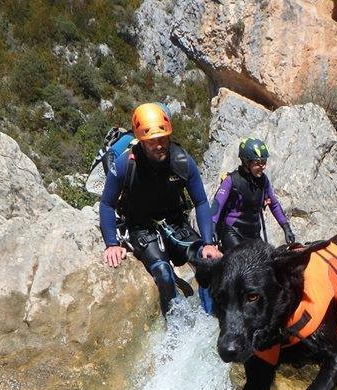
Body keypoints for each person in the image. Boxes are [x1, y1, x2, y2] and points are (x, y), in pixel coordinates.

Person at [100, 103, 222, 317]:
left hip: (175, 223)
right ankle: (176, 333)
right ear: (141, 140)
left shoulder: (182, 161)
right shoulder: (125, 165)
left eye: (162, 139)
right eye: (152, 141)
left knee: (207, 263)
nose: (159, 145)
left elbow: (201, 202)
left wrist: (209, 243)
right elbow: (107, 204)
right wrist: (112, 243)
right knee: (164, 274)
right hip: (142, 228)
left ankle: (213, 319)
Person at [211, 138, 296, 252]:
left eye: (264, 162)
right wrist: (212, 228)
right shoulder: (232, 180)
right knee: (241, 262)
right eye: (258, 163)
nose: (263, 166)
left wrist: (286, 228)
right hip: (233, 233)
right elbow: (218, 204)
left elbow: (274, 204)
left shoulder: (263, 181)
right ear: (246, 162)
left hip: (253, 235)